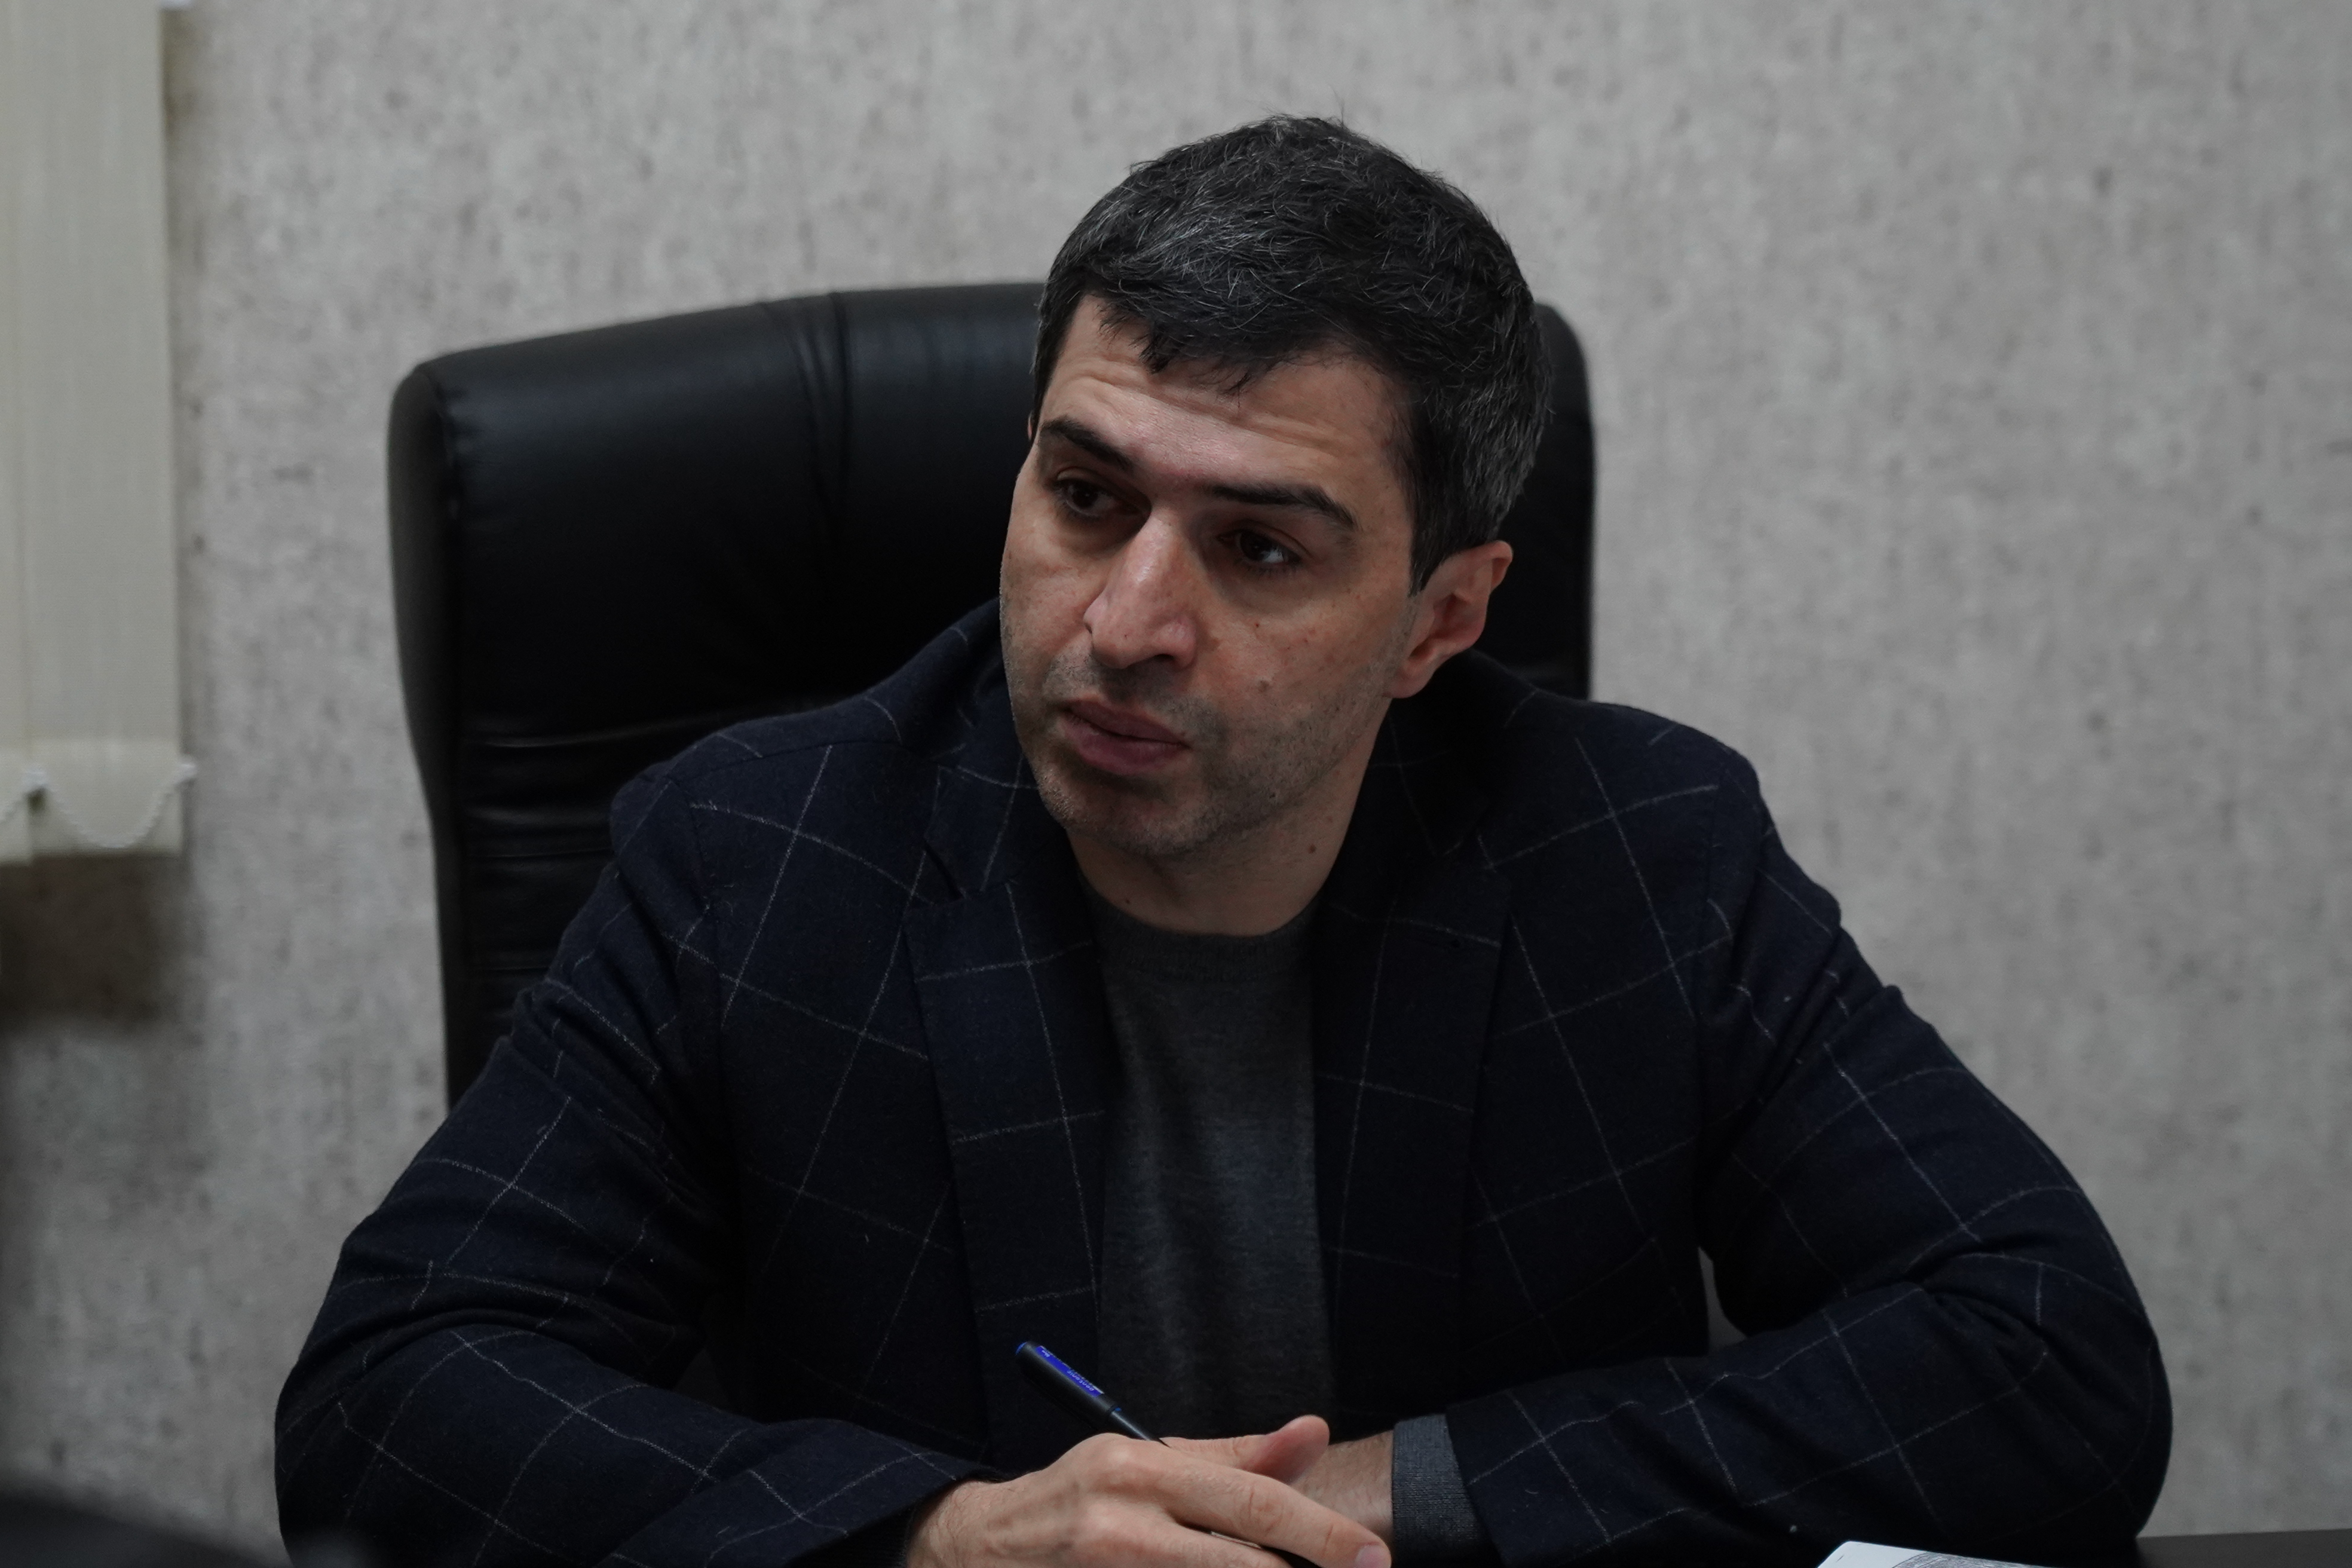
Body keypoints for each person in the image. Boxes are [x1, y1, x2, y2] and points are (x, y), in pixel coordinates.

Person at [277, 117, 2168, 1568]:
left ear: (1441, 618)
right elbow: (386, 1402)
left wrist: (1391, 1495)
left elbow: (2049, 1355)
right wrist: (940, 1539)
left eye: (1259, 548)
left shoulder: (1642, 858)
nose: (1124, 622)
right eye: (1087, 497)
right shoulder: (758, 861)